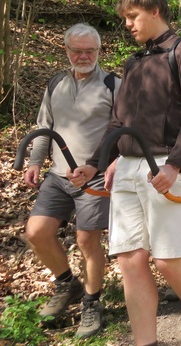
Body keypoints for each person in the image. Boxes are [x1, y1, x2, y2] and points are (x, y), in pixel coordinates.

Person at [68, 0, 181, 346]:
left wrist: (175, 165)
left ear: (154, 10)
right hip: (126, 168)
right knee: (130, 259)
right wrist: (94, 165)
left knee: (168, 259)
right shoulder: (134, 63)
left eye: (132, 16)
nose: (128, 25)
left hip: (165, 166)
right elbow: (117, 122)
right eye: (125, 18)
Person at [23, 24, 119, 338]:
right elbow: (43, 127)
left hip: (96, 178)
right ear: (66, 50)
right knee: (36, 232)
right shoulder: (55, 85)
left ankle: (92, 303)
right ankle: (67, 284)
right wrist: (36, 161)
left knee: (87, 240)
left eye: (90, 50)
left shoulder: (113, 84)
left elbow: (121, 133)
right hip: (58, 175)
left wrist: (98, 166)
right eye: (77, 50)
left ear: (99, 51)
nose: (83, 56)